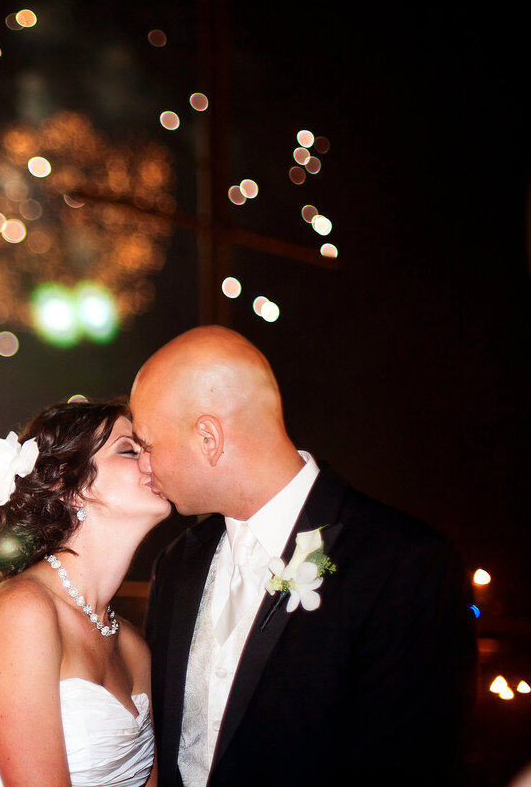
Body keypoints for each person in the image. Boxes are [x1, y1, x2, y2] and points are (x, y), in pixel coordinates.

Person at [131, 326, 476, 787]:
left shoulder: (404, 564)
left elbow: (413, 764)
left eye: (148, 444)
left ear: (208, 438)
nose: (142, 465)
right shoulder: (177, 563)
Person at [0, 400, 172, 787]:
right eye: (129, 450)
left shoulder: (134, 647)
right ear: (68, 488)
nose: (152, 461)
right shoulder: (22, 610)